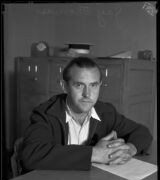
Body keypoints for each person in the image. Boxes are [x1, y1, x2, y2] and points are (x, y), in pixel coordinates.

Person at [21, 56, 152, 172]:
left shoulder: (106, 112)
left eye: (93, 85)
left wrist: (129, 149)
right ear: (64, 86)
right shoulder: (46, 113)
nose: (87, 94)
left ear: (100, 85)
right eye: (79, 85)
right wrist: (95, 154)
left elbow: (142, 132)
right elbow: (31, 155)